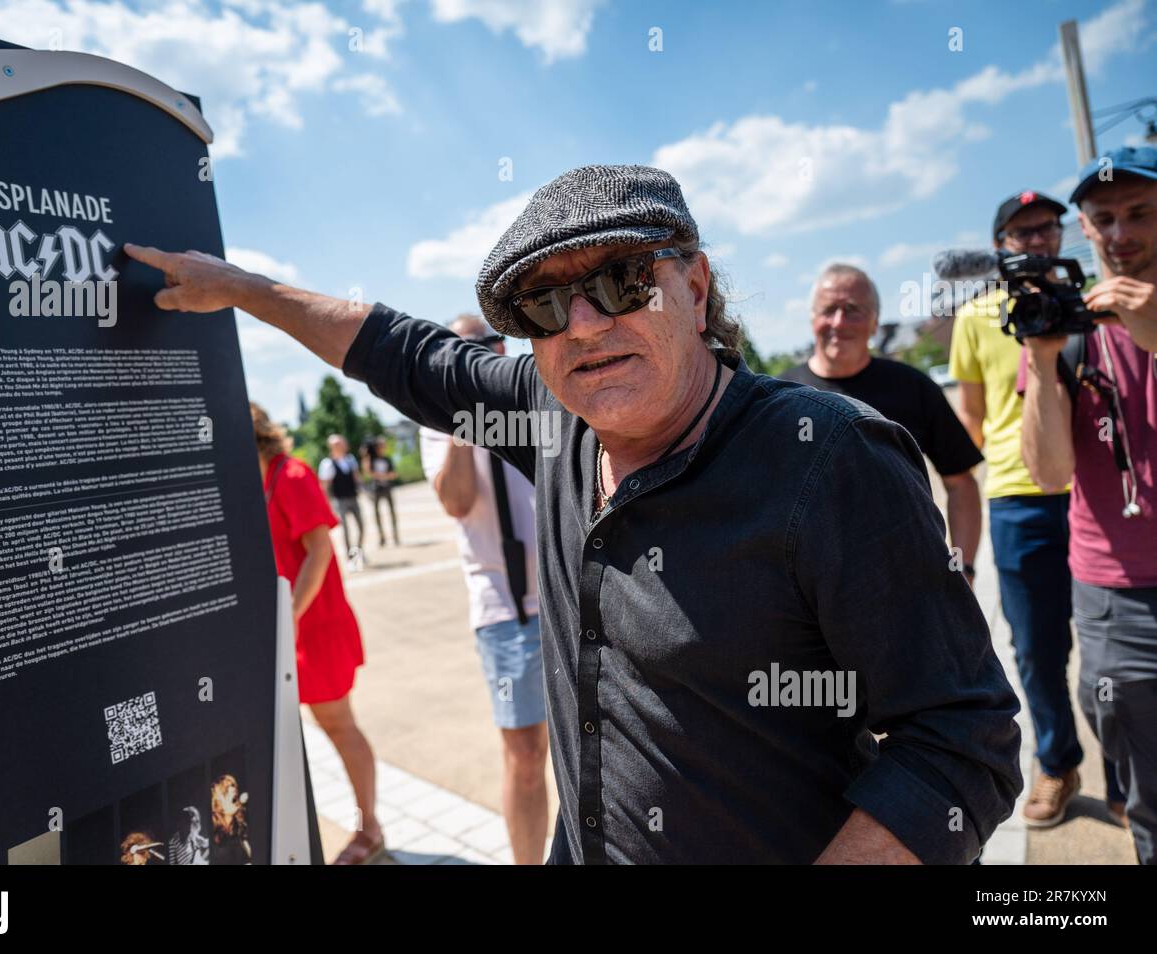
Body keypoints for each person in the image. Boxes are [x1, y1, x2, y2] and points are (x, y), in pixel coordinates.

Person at [126, 164, 1021, 864]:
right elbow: (398, 351)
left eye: (624, 281)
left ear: (697, 287)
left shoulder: (828, 459)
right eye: (545, 305)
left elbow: (959, 739)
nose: (585, 324)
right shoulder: (551, 417)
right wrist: (239, 287)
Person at [1019, 146, 1157, 864]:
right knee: (1146, 790)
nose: (1122, 232)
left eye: (1140, 213)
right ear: (1085, 229)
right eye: (1105, 218)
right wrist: (1042, 363)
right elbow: (1047, 473)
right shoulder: (1064, 330)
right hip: (1115, 594)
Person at [949, 191, 1090, 829]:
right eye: (1022, 231)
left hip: (1096, 492)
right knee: (1035, 645)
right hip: (1015, 493)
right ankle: (1058, 763)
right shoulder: (976, 318)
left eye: (1048, 228)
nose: (1037, 239)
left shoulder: (1088, 304)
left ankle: (1127, 773)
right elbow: (970, 420)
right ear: (999, 244)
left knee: (1112, 642)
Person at [421, 314, 549, 864]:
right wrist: (457, 421)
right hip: (504, 610)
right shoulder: (434, 420)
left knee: (599, 747)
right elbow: (455, 500)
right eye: (463, 349)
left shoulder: (533, 400)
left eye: (489, 343)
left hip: (570, 596)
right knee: (524, 754)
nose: (479, 355)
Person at [780, 264, 984, 584]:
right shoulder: (781, 398)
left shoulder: (914, 388)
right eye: (828, 309)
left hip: (910, 581)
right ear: (811, 319)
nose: (839, 322)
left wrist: (963, 568)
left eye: (853, 310)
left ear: (875, 323)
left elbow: (960, 483)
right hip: (811, 590)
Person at [251, 404, 383, 864]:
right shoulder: (258, 482)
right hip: (290, 630)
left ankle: (370, 828)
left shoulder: (290, 475)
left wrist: (290, 613)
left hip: (316, 628)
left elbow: (320, 549)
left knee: (339, 726)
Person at [318, 434, 365, 566]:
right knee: (346, 530)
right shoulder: (327, 464)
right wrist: (327, 504)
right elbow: (325, 486)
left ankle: (358, 551)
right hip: (340, 500)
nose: (342, 445)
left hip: (353, 497)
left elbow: (357, 477)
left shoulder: (350, 459)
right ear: (332, 446)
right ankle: (352, 558)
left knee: (361, 527)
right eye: (338, 444)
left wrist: (364, 490)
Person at [361, 436, 400, 547]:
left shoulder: (387, 459)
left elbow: (394, 474)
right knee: (377, 514)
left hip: (387, 488)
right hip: (376, 489)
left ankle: (395, 535)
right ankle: (382, 537)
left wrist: (382, 476)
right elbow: (368, 471)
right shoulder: (371, 460)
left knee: (392, 513)